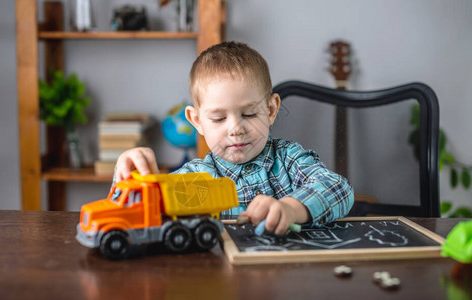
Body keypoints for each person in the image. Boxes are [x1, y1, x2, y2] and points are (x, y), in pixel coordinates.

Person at [114, 41, 354, 235]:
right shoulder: (196, 177)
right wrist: (126, 176)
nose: (236, 129)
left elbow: (339, 189)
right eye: (218, 119)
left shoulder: (289, 160)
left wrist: (291, 208)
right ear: (197, 121)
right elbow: (135, 216)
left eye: (249, 114)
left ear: (271, 110)